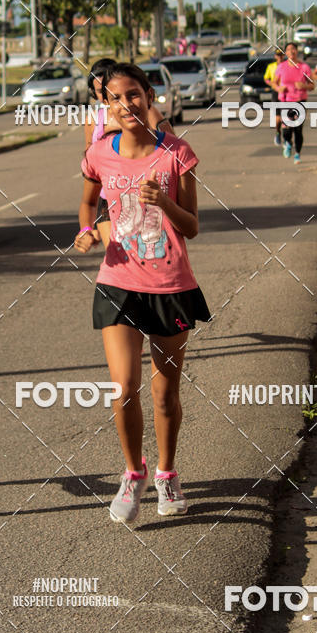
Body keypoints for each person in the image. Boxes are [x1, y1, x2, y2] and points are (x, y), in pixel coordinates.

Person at [74, 63, 210, 524]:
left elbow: (191, 226)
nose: (125, 104)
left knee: (164, 394)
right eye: (114, 97)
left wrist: (164, 201)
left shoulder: (177, 153)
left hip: (170, 286)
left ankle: (167, 474)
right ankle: (134, 473)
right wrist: (87, 231)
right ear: (105, 105)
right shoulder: (99, 153)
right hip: (118, 284)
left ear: (149, 96)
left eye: (132, 94)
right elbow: (88, 203)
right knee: (123, 387)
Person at [84, 58, 172, 248]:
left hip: (142, 191)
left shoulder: (145, 112)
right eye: (100, 91)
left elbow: (170, 146)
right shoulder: (93, 119)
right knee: (115, 252)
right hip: (108, 195)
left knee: (147, 247)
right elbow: (88, 157)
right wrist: (86, 230)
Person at [271, 42, 314, 165]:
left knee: (298, 129)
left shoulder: (304, 67)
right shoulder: (281, 67)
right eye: (289, 49)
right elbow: (274, 83)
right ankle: (288, 143)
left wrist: (304, 86)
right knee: (287, 129)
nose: (291, 51)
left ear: (297, 51)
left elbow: (312, 86)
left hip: (300, 101)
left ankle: (297, 154)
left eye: (293, 49)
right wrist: (279, 88)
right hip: (285, 101)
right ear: (286, 53)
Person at [263, 49, 285, 146]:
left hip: (286, 92)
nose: (279, 57)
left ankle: (287, 137)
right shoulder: (271, 66)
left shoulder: (287, 66)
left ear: (283, 56)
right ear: (275, 56)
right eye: (278, 55)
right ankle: (278, 133)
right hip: (276, 92)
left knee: (286, 116)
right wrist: (271, 83)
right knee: (278, 117)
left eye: (281, 55)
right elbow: (266, 78)